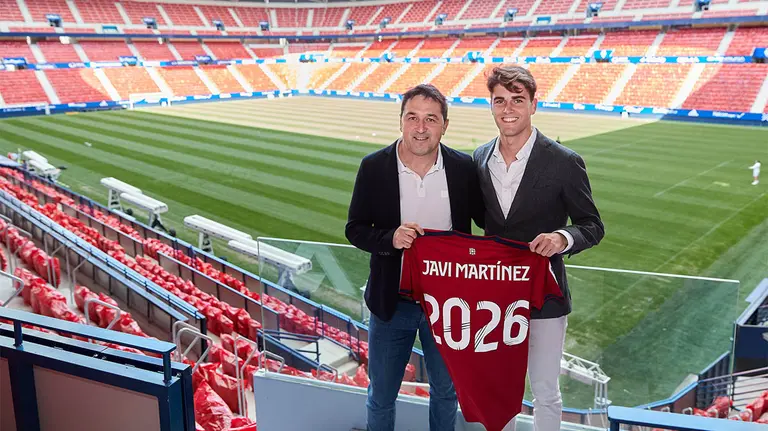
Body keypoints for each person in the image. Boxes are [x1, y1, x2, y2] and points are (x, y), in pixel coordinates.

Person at [472, 65, 604, 431]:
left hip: (545, 295)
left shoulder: (564, 161)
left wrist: (562, 239)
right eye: (500, 100)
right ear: (492, 105)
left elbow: (593, 226)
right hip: (495, 297)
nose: (508, 108)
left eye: (517, 99)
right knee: (500, 386)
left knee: (545, 390)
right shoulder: (479, 158)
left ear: (533, 104)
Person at [346, 84, 483, 431]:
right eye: (413, 118)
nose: (420, 128)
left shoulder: (462, 168)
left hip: (448, 304)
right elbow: (355, 228)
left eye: (431, 119)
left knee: (446, 392)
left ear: (445, 125)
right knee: (381, 396)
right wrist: (390, 238)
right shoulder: (374, 167)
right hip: (392, 304)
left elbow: (489, 222)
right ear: (401, 121)